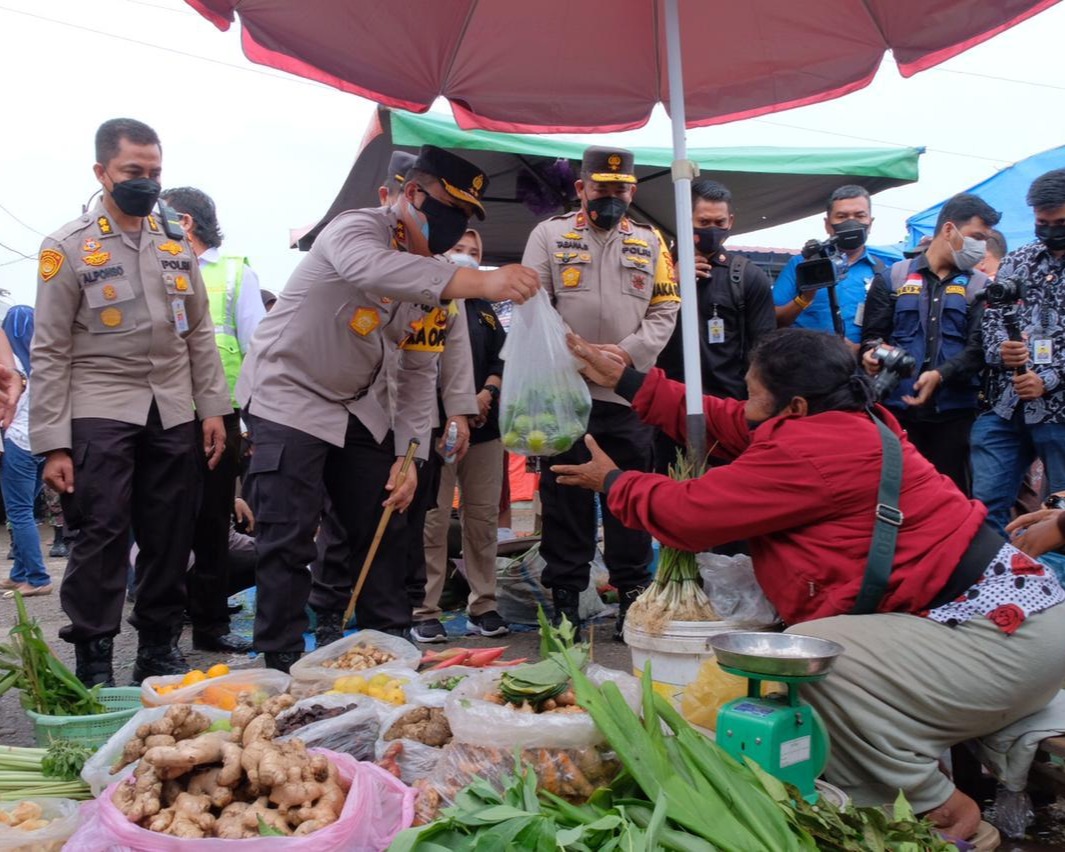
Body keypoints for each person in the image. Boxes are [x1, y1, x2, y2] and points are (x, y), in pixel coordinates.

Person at [553, 328, 1065, 841]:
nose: (745, 405)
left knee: (812, 664)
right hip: (1019, 621)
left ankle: (935, 806)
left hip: (1002, 637)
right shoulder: (844, 421)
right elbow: (729, 421)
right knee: (824, 661)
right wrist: (628, 380)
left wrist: (615, 483)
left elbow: (688, 514)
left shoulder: (813, 453)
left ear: (794, 406)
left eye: (754, 394)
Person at [238, 144, 538, 672]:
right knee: (288, 531)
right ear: (411, 195)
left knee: (386, 517)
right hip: (290, 394)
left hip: (361, 404)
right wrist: (485, 281)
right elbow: (374, 271)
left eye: (465, 216)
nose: (455, 224)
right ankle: (279, 662)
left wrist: (409, 456)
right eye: (448, 208)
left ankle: (390, 647)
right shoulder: (356, 229)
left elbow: (421, 373)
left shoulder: (438, 280)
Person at [30, 118, 231, 687]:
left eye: (154, 173)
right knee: (103, 533)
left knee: (172, 532)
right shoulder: (67, 248)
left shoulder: (174, 245)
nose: (145, 182)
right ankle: (93, 656)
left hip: (171, 407)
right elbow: (49, 350)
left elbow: (198, 331)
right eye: (133, 172)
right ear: (102, 173)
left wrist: (211, 408)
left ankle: (158, 646)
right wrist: (54, 444)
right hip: (99, 407)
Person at [308, 151, 478, 649]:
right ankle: (328, 609)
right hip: (350, 407)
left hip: (408, 417)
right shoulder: (358, 247)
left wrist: (442, 424)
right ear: (402, 197)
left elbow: (438, 359)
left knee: (401, 516)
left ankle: (394, 623)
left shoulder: (441, 278)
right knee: (341, 523)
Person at [520, 145, 679, 641]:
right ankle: (566, 600)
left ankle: (632, 596)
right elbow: (533, 306)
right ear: (581, 187)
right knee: (564, 492)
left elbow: (664, 311)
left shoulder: (653, 242)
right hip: (563, 390)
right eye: (601, 188)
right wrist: (579, 353)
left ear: (631, 191)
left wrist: (625, 355)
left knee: (627, 495)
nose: (610, 198)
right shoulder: (549, 234)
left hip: (626, 393)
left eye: (619, 190)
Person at [160, 186, 265, 655]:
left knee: (211, 521)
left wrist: (252, 425)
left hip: (221, 415)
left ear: (185, 222)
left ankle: (210, 624)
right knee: (163, 521)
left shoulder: (234, 273)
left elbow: (257, 350)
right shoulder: (154, 264)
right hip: (160, 411)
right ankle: (160, 629)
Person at [860, 193, 1000, 495]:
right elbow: (871, 336)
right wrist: (872, 354)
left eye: (985, 240)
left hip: (953, 417)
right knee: (891, 495)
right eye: (976, 236)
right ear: (949, 230)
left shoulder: (980, 287)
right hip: (895, 415)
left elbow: (979, 351)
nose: (981, 247)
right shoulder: (892, 278)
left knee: (947, 496)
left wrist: (941, 375)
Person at [416, 230, 509, 641]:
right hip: (435, 429)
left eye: (475, 252)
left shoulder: (485, 309)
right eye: (459, 250)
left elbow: (501, 359)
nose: (467, 258)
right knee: (433, 520)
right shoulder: (426, 300)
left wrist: (486, 393)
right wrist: (457, 406)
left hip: (485, 432)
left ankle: (483, 604)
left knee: (483, 519)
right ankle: (424, 609)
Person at [654, 178, 774, 471]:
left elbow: (765, 349)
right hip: (666, 408)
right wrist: (671, 280)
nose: (711, 230)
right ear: (684, 218)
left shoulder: (747, 277)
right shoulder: (655, 268)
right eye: (703, 221)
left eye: (719, 222)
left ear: (730, 221)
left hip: (727, 411)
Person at [972, 168, 1065, 534]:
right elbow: (992, 320)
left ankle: (1056, 589)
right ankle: (992, 583)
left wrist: (1049, 378)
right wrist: (1002, 351)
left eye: (1059, 221)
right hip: (1006, 405)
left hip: (1061, 412)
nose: (1049, 229)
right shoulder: (1018, 260)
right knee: (983, 509)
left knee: (1059, 516)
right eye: (1041, 221)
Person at [773, 185, 884, 344]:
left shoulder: (882, 272)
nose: (851, 223)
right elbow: (774, 320)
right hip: (804, 364)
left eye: (859, 216)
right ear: (827, 224)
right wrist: (804, 299)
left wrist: (861, 352)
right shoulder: (801, 265)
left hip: (857, 366)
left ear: (870, 223)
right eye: (842, 216)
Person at [0, 307, 51, 597]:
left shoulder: (10, 365)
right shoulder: (43, 362)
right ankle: (19, 572)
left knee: (19, 513)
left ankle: (37, 576)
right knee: (25, 511)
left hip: (16, 442)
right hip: (41, 444)